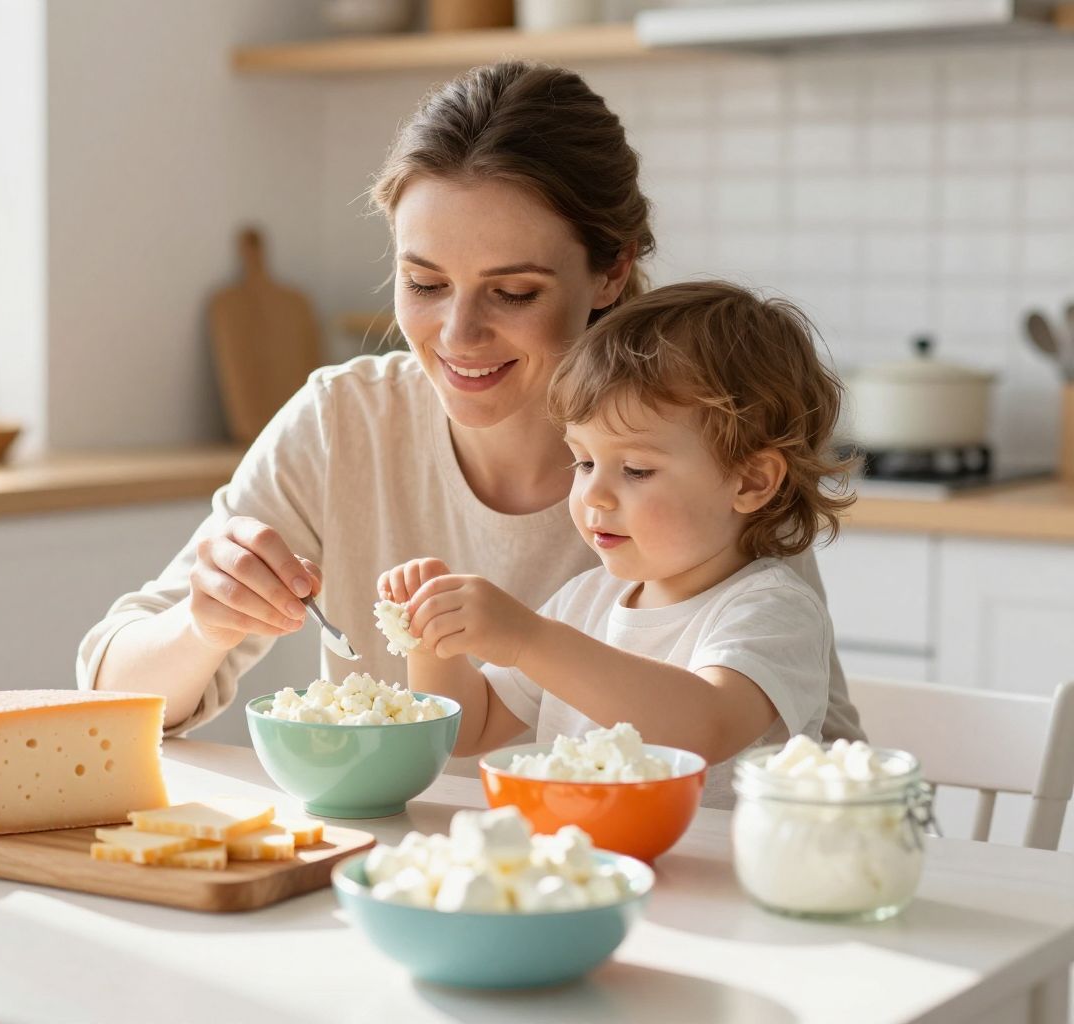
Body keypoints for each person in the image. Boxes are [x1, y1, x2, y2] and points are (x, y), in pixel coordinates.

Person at [76, 61, 864, 753]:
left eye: (514, 292)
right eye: (423, 283)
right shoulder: (345, 424)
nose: (458, 334)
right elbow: (110, 697)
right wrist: (203, 625)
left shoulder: (700, 445)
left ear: (612, 270)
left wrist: (524, 638)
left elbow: (730, 726)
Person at [383, 281, 852, 807]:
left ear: (750, 482)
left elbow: (705, 727)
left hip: (720, 883)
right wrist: (431, 642)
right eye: (583, 462)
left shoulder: (772, 610)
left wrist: (530, 640)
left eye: (636, 469)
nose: (594, 495)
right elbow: (471, 729)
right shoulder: (587, 600)